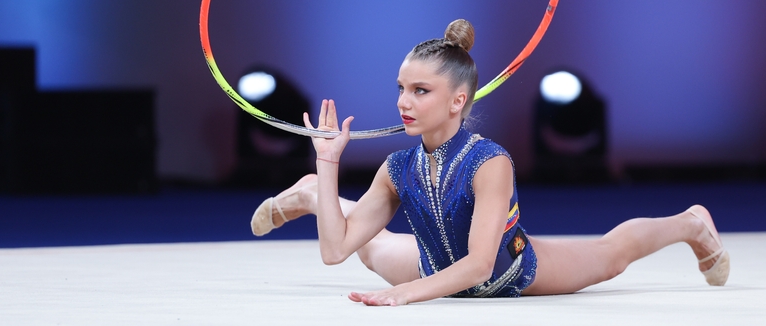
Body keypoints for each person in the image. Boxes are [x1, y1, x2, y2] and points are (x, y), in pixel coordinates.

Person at [250, 19, 730, 306]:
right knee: (369, 248)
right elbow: (334, 251)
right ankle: (316, 190)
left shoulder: (489, 162)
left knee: (611, 258)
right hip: (433, 270)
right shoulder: (397, 168)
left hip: (504, 272)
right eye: (401, 88)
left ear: (459, 100)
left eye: (420, 91)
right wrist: (329, 162)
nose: (404, 101)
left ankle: (690, 223)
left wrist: (403, 295)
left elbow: (480, 266)